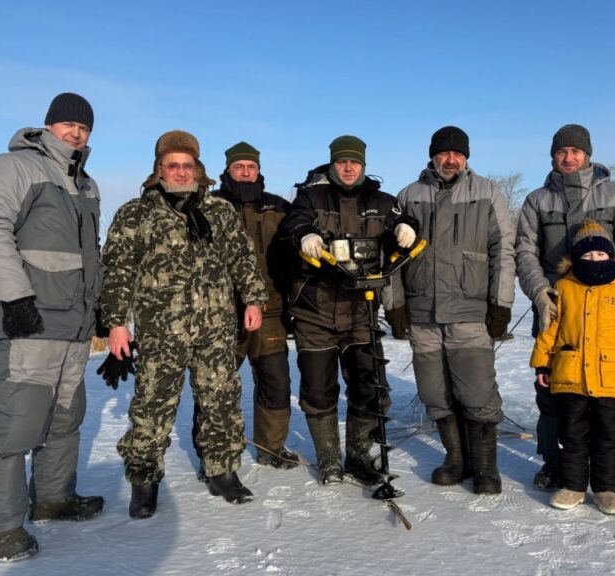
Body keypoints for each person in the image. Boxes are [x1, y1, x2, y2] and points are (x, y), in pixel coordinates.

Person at [100, 130, 268, 517]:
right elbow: (118, 271)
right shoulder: (136, 214)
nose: (179, 172)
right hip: (161, 331)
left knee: (221, 400)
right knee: (152, 405)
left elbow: (242, 258)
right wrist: (116, 323)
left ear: (198, 168)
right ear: (159, 169)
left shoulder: (219, 211)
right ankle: (144, 479)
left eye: (186, 165)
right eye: (171, 166)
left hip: (215, 326)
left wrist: (254, 298)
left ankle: (222, 471)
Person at [0, 92, 103, 561]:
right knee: (17, 424)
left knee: (65, 420)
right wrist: (17, 298)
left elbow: (89, 257)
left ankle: (52, 499)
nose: (75, 132)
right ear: (48, 125)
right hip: (31, 322)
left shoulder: (86, 185)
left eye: (83, 127)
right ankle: (4, 527)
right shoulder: (15, 167)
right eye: (67, 123)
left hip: (75, 325)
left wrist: (98, 306)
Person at [515, 123, 615, 498]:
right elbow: (525, 252)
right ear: (553, 156)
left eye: (575, 151)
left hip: (612, 310)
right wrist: (541, 293)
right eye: (561, 152)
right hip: (559, 311)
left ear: (588, 155)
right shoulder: (537, 200)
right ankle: (555, 462)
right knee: (552, 389)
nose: (568, 157)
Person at [278, 135, 418, 485]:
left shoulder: (382, 201)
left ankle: (357, 454)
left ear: (363, 165)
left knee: (370, 388)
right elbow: (293, 224)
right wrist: (305, 236)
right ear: (332, 164)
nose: (348, 167)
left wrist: (406, 228)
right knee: (318, 390)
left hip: (362, 312)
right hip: (316, 309)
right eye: (342, 161)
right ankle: (328, 459)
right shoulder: (311, 196)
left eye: (354, 162)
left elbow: (409, 222)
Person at [396, 126, 515, 495]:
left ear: (466, 157)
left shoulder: (486, 192)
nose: (450, 159)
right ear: (432, 155)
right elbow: (392, 258)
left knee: (477, 393)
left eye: (457, 154)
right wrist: (395, 305)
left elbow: (504, 249)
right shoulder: (409, 195)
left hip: (470, 312)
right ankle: (455, 459)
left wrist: (500, 303)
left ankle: (484, 467)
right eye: (444, 153)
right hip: (422, 313)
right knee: (434, 393)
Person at [529, 220, 615, 515]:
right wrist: (542, 364)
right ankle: (573, 487)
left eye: (600, 255)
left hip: (610, 379)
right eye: (586, 256)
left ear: (611, 257)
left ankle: (606, 489)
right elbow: (550, 330)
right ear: (576, 259)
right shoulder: (563, 287)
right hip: (571, 377)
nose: (594, 260)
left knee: (608, 437)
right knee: (571, 435)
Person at [190, 142, 298, 471]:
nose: (246, 171)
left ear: (259, 169)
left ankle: (271, 447)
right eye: (240, 166)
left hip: (270, 310)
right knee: (215, 385)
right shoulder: (208, 205)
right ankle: (211, 451)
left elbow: (294, 254)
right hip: (221, 313)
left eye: (252, 166)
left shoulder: (278, 206)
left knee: (275, 380)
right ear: (228, 170)